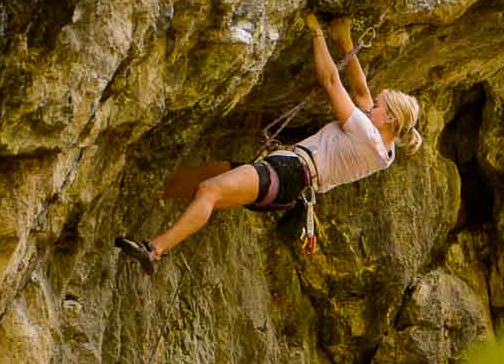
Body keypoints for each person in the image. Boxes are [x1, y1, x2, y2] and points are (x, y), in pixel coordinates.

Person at [116, 14, 422, 271]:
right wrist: (346, 41)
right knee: (211, 174)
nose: (371, 108)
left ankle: (154, 250)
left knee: (209, 190)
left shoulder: (366, 135)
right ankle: (149, 193)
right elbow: (362, 92)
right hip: (288, 184)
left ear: (389, 119)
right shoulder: (385, 151)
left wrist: (316, 31)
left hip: (288, 173)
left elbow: (332, 81)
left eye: (378, 107)